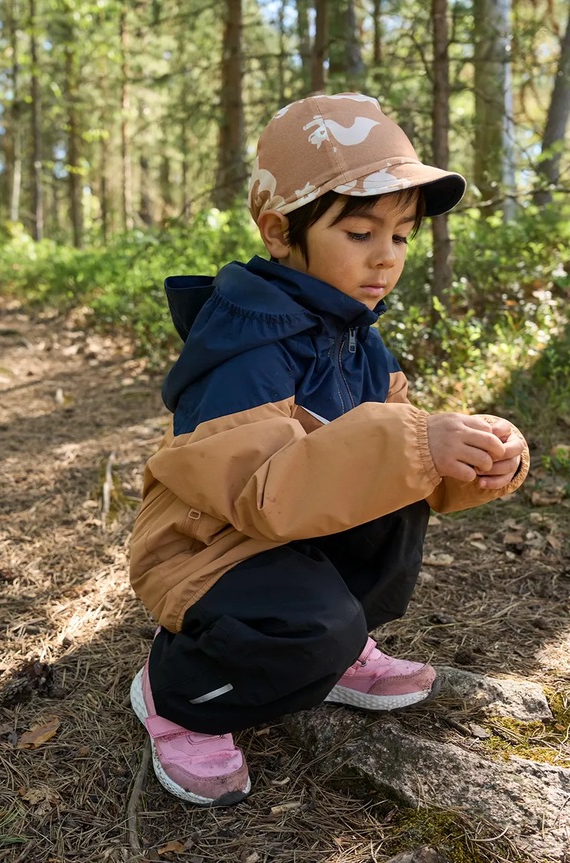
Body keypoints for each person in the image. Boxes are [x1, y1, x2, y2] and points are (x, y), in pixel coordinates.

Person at [128, 93, 529, 808]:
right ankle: (180, 691)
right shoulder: (245, 345)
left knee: (397, 500)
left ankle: (337, 648)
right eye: (359, 231)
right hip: (207, 550)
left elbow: (394, 460)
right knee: (316, 625)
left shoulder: (357, 338)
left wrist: (475, 458)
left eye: (401, 235)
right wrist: (413, 442)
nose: (386, 256)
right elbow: (260, 490)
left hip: (285, 535)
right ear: (280, 231)